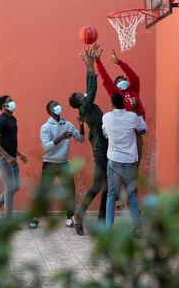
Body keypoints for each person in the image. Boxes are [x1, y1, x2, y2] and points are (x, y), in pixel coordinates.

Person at [68, 45, 108, 235]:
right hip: (100, 149)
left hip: (108, 147)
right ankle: (79, 215)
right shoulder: (85, 108)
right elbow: (92, 87)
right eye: (80, 95)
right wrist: (91, 65)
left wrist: (87, 65)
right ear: (79, 102)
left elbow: (88, 86)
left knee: (108, 187)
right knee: (98, 185)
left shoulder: (87, 106)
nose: (83, 93)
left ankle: (101, 223)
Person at [32, 100, 85, 229]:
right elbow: (46, 146)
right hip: (49, 163)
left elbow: (80, 139)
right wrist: (60, 138)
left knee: (69, 191)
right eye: (54, 106)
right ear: (50, 111)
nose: (58, 107)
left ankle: (69, 218)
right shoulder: (45, 127)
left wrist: (82, 125)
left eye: (58, 104)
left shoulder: (68, 124)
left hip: (63, 163)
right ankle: (35, 217)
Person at [102, 92, 147, 230]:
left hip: (114, 161)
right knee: (131, 194)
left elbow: (104, 133)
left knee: (111, 195)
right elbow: (144, 129)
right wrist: (135, 109)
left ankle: (108, 228)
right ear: (124, 103)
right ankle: (138, 227)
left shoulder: (106, 117)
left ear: (112, 104)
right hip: (129, 161)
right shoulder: (132, 117)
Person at [0, 95, 27, 222]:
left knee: (15, 186)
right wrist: (7, 157)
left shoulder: (13, 119)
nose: (13, 102)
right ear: (3, 105)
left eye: (12, 100)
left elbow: (10, 141)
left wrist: (19, 155)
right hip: (2, 158)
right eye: (9, 101)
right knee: (10, 187)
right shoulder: (1, 120)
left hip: (11, 158)